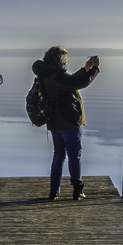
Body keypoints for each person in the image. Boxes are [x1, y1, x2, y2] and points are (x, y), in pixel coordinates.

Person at [31, 46, 100, 200]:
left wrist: (85, 68)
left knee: (58, 155)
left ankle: (54, 192)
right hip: (68, 122)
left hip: (55, 123)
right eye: (64, 58)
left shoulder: (46, 74)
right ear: (59, 59)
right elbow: (80, 82)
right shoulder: (56, 75)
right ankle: (77, 190)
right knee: (75, 155)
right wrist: (95, 68)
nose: (65, 61)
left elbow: (69, 81)